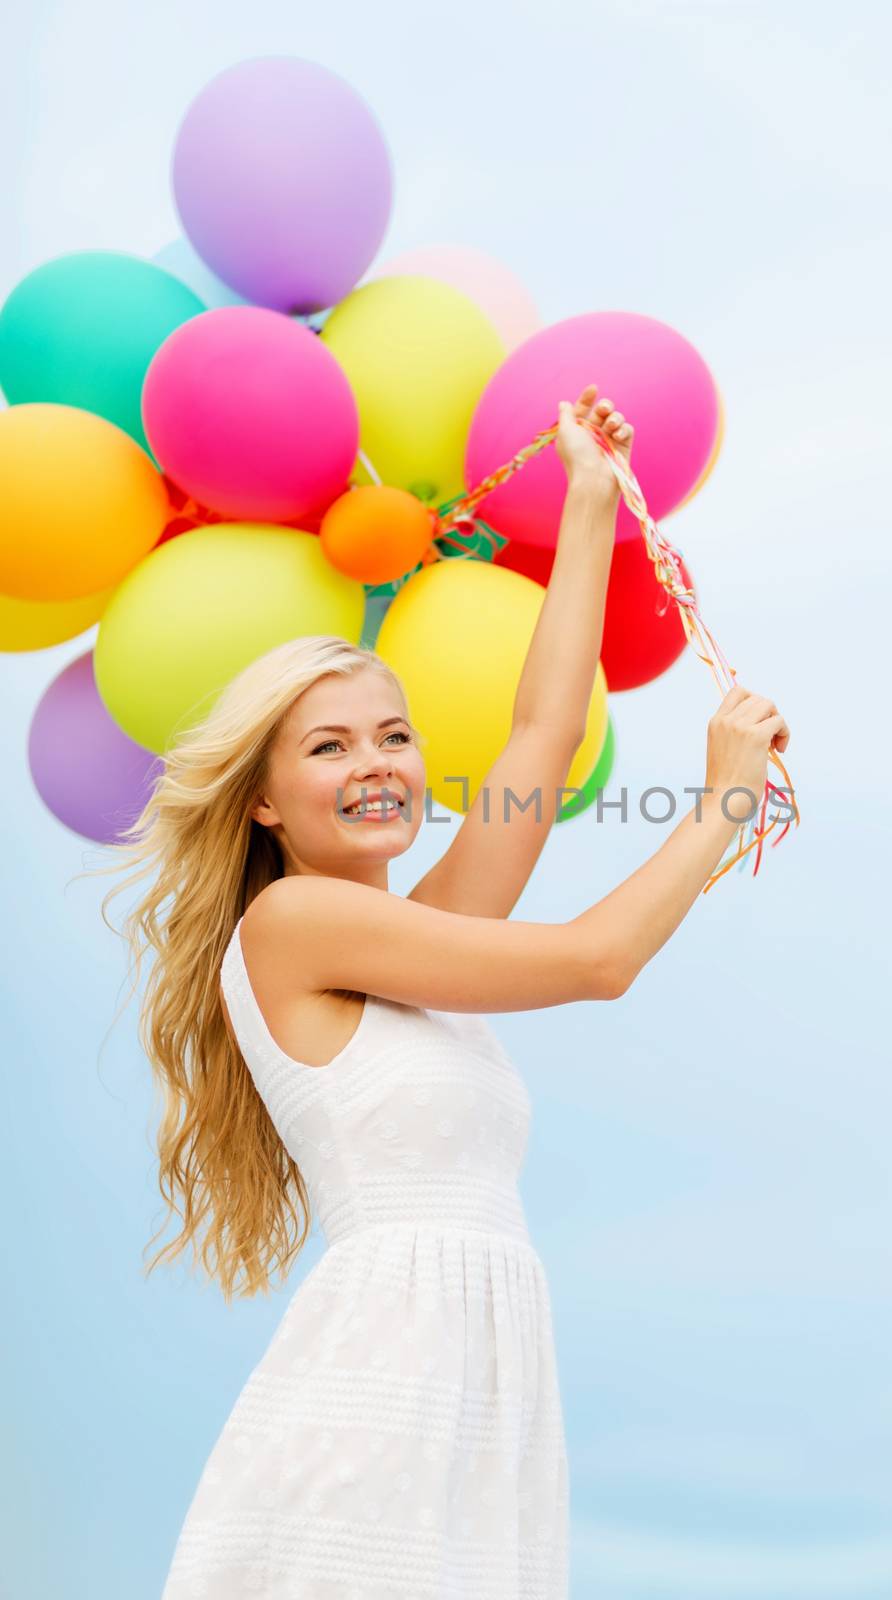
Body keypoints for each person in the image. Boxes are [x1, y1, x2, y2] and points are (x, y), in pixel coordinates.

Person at [92, 387, 790, 1597]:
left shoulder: (415, 940)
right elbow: (594, 961)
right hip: (383, 1385)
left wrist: (582, 500)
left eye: (393, 735)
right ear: (261, 800)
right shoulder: (293, 922)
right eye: (327, 746)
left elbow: (538, 736)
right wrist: (721, 804)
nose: (375, 764)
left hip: (483, 1386)